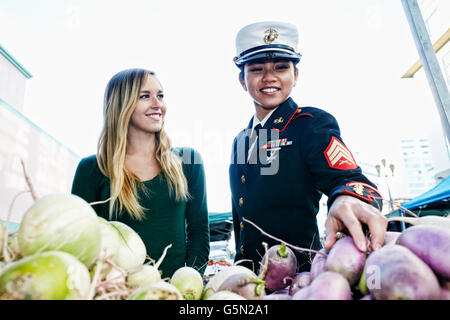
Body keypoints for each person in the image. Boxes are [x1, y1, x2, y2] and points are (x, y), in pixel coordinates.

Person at [229, 21, 387, 272]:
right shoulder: (241, 139)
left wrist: (346, 197)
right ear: (242, 80)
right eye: (257, 69)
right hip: (246, 276)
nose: (269, 77)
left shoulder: (310, 124)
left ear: (296, 75)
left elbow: (348, 178)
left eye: (281, 68)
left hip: (299, 275)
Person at [71, 68, 210, 278]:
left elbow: (199, 234)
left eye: (160, 95)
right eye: (145, 96)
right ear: (121, 104)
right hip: (116, 292)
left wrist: (188, 283)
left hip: (174, 292)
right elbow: (81, 241)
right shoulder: (92, 168)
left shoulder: (189, 161)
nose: (158, 104)